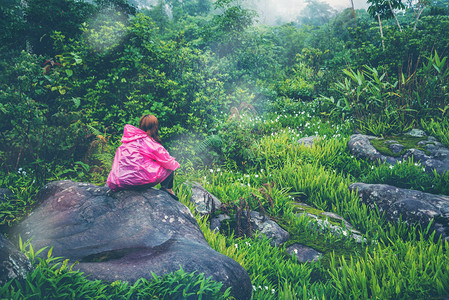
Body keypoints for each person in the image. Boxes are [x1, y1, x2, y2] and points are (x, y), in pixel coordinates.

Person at [107, 115, 180, 200]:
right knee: (170, 166)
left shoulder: (127, 141)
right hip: (136, 181)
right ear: (155, 127)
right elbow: (168, 162)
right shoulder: (150, 143)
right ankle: (168, 189)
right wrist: (175, 164)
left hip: (119, 181)